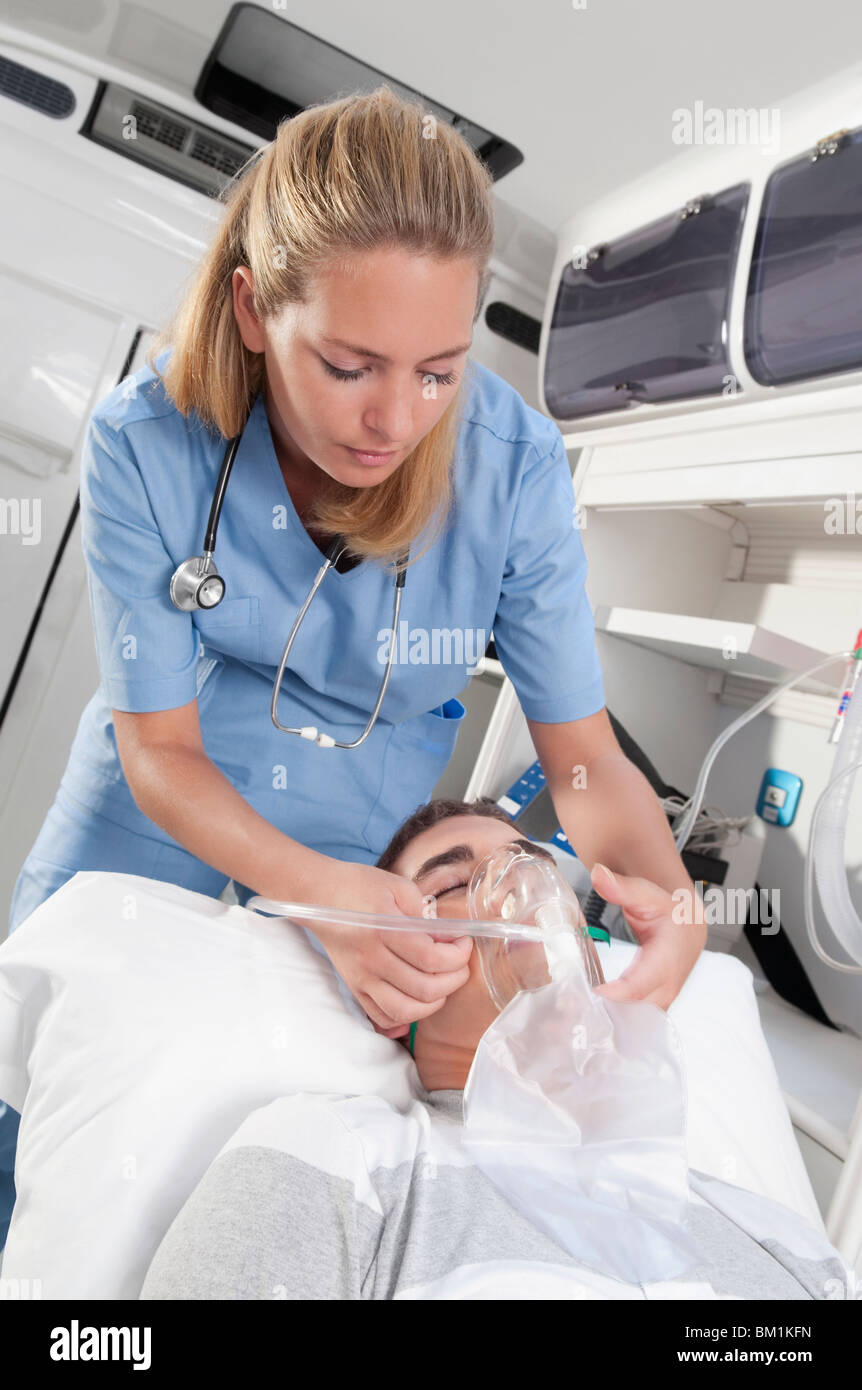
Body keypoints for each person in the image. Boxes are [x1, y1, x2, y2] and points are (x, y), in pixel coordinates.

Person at [1, 86, 704, 1246]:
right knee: (59, 1104)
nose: (395, 420)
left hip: (360, 850)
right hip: (151, 818)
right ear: (250, 310)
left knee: (248, 1144)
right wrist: (313, 894)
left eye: (437, 369)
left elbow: (581, 761)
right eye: (347, 365)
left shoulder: (511, 471)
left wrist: (664, 887)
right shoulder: (146, 438)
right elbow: (158, 747)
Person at [139, 797, 847, 1301]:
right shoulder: (344, 1162)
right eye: (453, 883)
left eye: (534, 865)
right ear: (390, 992)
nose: (523, 892)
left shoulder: (776, 1235)